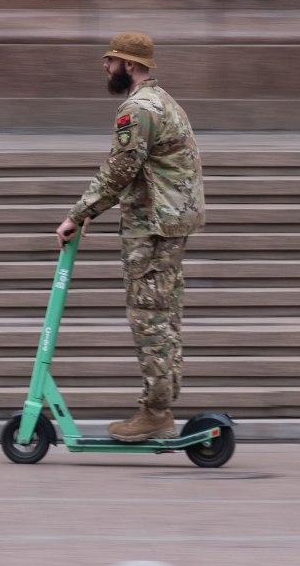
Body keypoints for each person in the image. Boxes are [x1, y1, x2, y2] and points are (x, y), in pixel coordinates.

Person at [56, 32, 205, 442]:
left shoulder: (136, 109)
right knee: (165, 314)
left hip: (153, 226)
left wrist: (79, 214)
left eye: (111, 60)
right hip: (170, 222)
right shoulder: (165, 101)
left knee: (149, 317)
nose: (105, 67)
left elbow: (120, 169)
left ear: (129, 64)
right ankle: (162, 403)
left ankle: (156, 411)